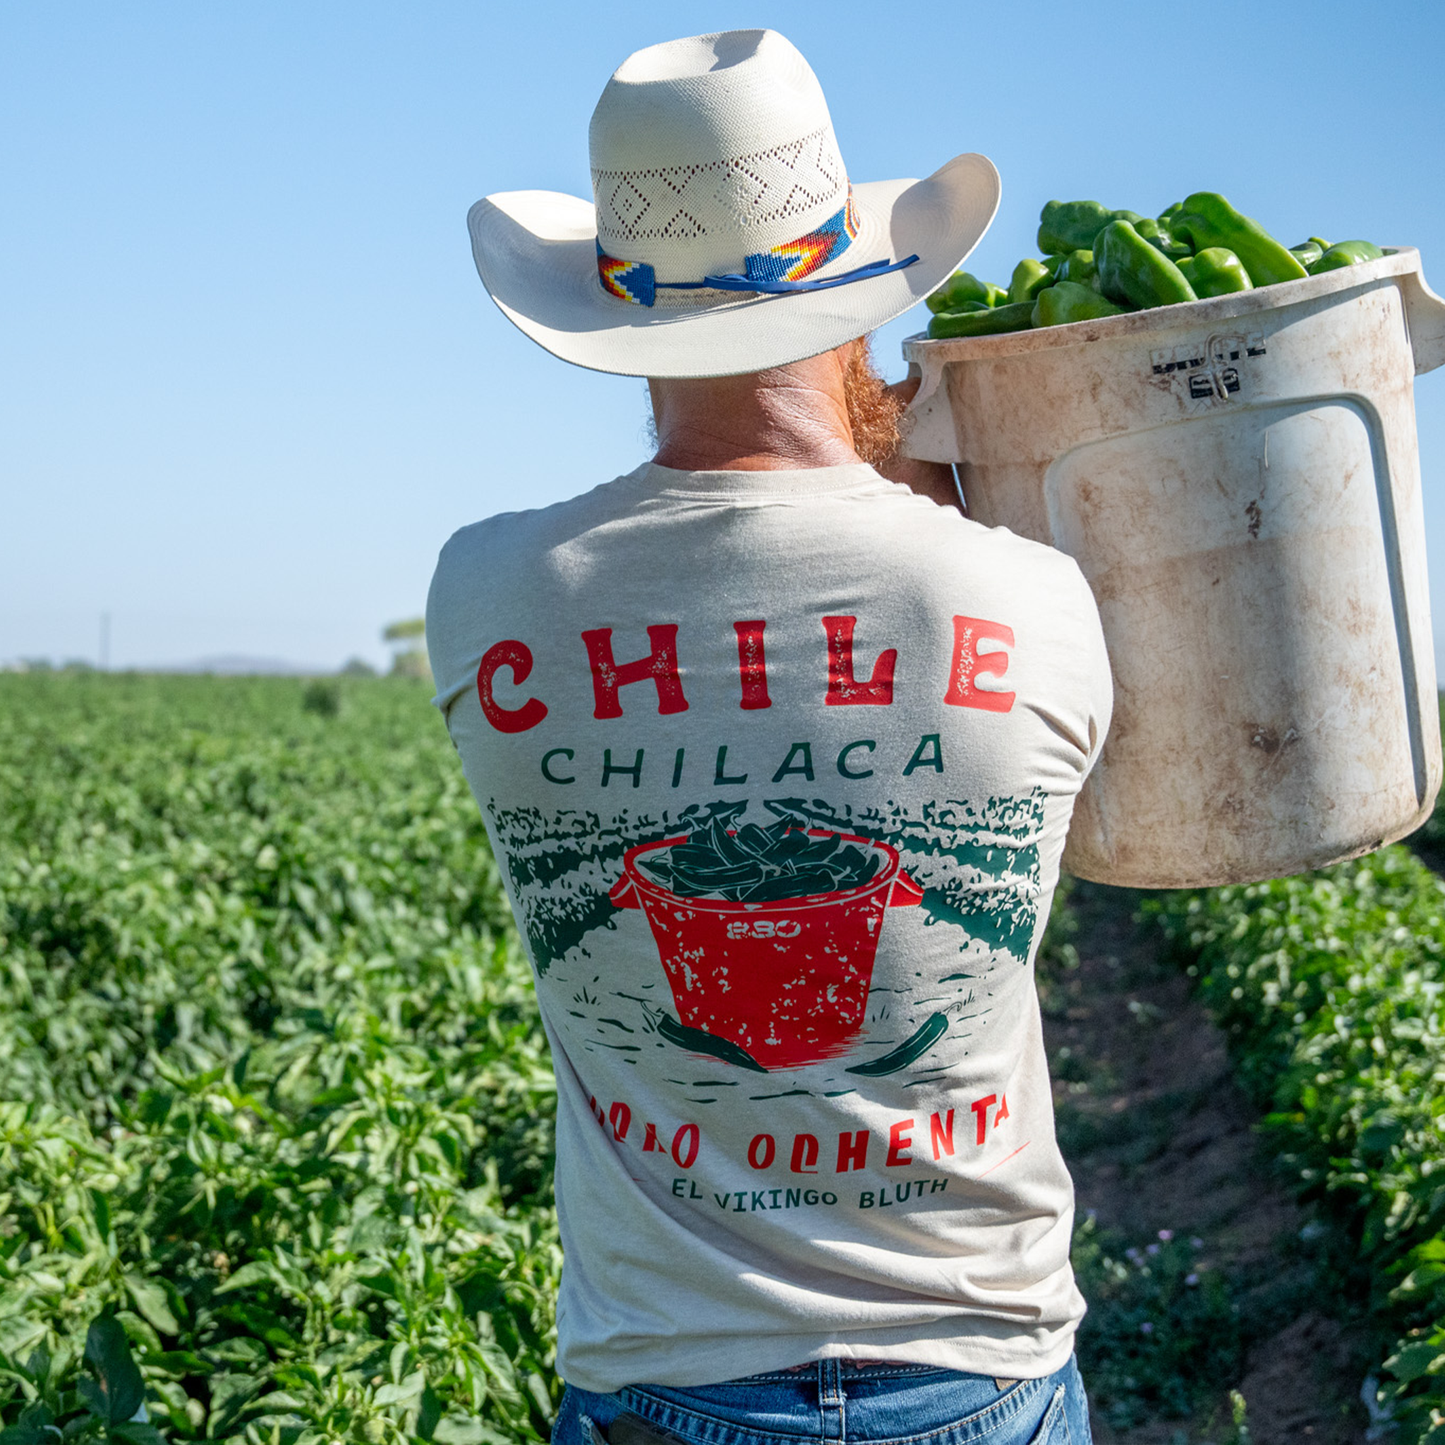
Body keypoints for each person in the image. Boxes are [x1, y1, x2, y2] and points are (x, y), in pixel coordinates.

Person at [426, 29, 1112, 1445]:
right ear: (859, 292)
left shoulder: (489, 593)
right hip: (975, 1367)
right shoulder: (1030, 592)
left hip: (665, 1375)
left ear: (623, 322)